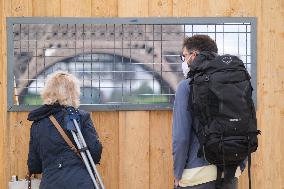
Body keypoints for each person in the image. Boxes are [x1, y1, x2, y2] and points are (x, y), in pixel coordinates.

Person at [172, 35, 243, 189]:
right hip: (230, 172)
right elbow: (244, 124)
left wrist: (177, 174)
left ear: (194, 55)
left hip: (197, 176)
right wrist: (240, 165)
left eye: (183, 56)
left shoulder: (186, 86)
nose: (183, 61)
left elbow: (181, 138)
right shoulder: (233, 83)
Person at [27, 71, 102, 189]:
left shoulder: (37, 124)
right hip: (80, 183)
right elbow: (95, 153)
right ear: (73, 92)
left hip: (51, 184)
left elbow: (34, 165)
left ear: (48, 92)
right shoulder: (81, 117)